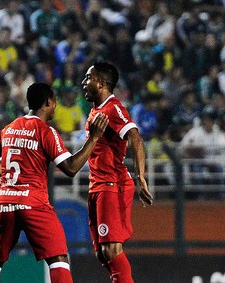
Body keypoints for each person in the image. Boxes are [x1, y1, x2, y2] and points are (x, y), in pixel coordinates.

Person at [0, 82, 109, 283]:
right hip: (33, 203)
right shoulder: (45, 131)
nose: (55, 106)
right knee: (58, 259)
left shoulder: (9, 129)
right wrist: (94, 138)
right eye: (54, 102)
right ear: (48, 102)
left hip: (5, 203)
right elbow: (70, 168)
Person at [80, 61, 153, 283]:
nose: (84, 83)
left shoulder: (113, 108)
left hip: (112, 184)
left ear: (101, 84)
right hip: (98, 185)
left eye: (88, 78)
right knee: (103, 253)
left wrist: (141, 177)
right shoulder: (96, 110)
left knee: (111, 249)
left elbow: (136, 138)